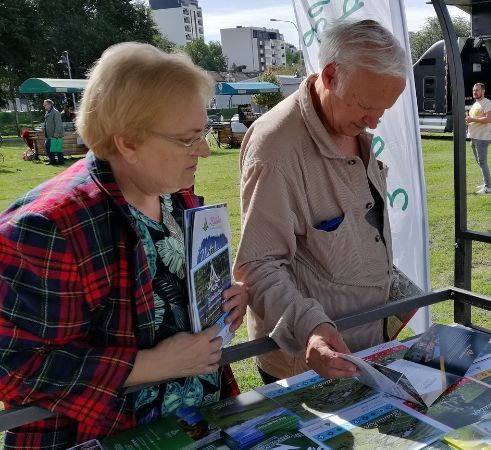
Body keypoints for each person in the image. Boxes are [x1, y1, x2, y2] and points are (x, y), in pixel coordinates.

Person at [0, 42, 248, 449]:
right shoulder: (48, 227)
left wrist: (222, 304)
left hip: (192, 423)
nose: (203, 149)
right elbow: (15, 363)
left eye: (203, 132)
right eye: (188, 139)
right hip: (102, 436)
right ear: (128, 143)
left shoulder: (172, 193)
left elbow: (168, 300)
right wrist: (148, 365)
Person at [235, 19, 409, 383]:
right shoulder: (275, 149)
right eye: (365, 106)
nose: (375, 122)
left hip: (366, 344)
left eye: (384, 109)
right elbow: (258, 265)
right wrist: (311, 328)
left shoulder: (351, 123)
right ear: (330, 75)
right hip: (310, 363)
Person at [466, 82, 491, 194]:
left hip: (482, 138)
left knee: (482, 162)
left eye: (477, 90)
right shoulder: (476, 104)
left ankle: (488, 188)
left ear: (483, 91)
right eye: (474, 90)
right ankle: (488, 183)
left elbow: (488, 119)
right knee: (480, 162)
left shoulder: (487, 103)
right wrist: (469, 120)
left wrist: (472, 120)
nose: (475, 92)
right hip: (474, 137)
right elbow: (474, 119)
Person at [42, 98, 65, 165]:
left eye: (45, 104)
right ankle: (53, 160)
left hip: (55, 134)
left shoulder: (55, 112)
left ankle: (59, 161)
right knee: (50, 147)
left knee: (56, 148)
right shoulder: (47, 112)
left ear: (49, 105)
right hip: (49, 134)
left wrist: (56, 134)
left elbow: (58, 124)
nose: (44, 106)